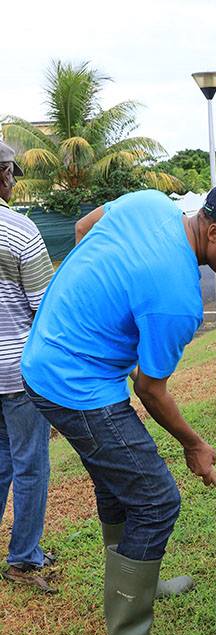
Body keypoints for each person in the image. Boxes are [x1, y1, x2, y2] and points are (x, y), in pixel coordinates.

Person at [21, 179, 216, 635]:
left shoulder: (149, 204)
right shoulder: (177, 299)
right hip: (73, 382)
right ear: (212, 229)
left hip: (48, 355)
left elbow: (85, 228)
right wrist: (194, 443)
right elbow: (151, 388)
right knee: (155, 498)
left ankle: (135, 578)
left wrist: (102, 303)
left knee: (118, 481)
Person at [0, 143, 55, 593]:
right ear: (2, 175)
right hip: (17, 372)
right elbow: (44, 307)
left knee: (0, 463)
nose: (14, 180)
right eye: (11, 172)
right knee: (31, 465)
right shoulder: (19, 231)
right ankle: (23, 557)